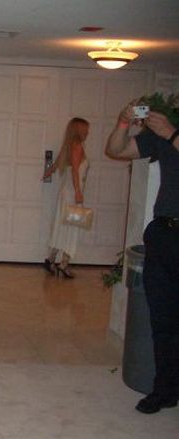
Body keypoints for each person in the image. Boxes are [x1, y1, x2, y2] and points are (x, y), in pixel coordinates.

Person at [105, 101, 179, 415]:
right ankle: (165, 390)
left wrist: (172, 134)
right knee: (162, 319)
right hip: (164, 233)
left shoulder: (170, 133)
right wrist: (123, 123)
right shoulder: (163, 133)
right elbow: (117, 150)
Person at [43, 117, 91, 279]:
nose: (87, 132)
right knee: (73, 228)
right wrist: (78, 192)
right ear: (78, 130)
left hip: (67, 193)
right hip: (72, 194)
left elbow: (56, 164)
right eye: (85, 129)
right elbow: (75, 171)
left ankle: (51, 260)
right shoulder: (77, 147)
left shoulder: (69, 146)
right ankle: (63, 264)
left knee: (62, 227)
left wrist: (48, 173)